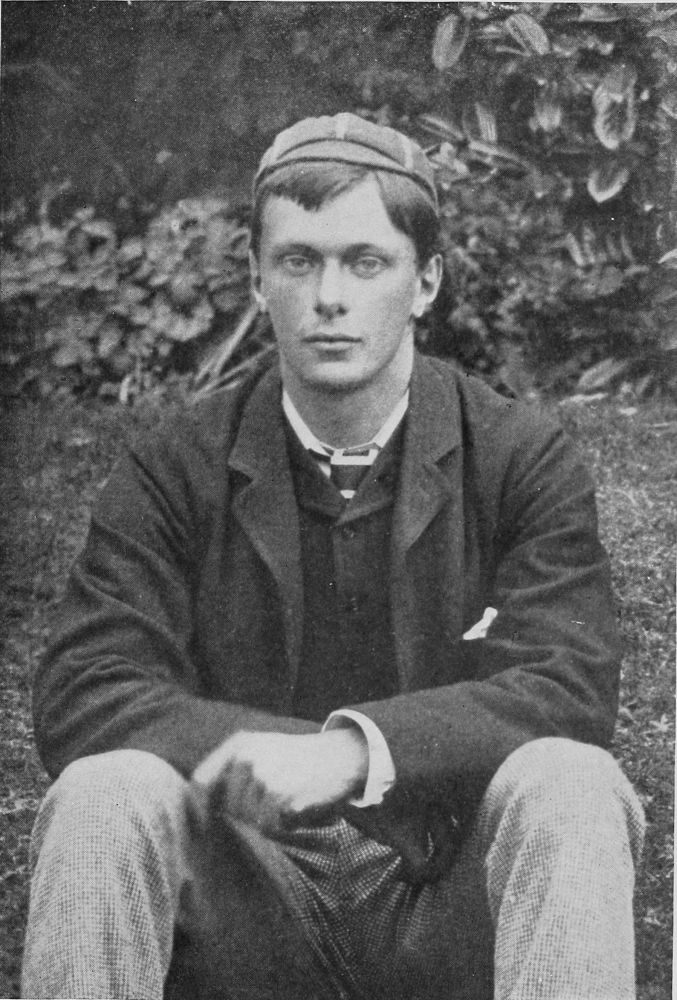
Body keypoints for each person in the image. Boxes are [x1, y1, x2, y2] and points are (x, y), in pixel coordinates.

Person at [22, 113, 645, 1000]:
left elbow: (568, 687)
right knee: (101, 794)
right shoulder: (174, 465)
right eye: (297, 261)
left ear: (425, 282)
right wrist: (285, 753)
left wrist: (359, 753)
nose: (328, 297)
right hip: (248, 904)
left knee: (572, 782)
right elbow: (86, 688)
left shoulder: (517, 455)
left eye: (365, 262)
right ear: (256, 278)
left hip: (447, 895)